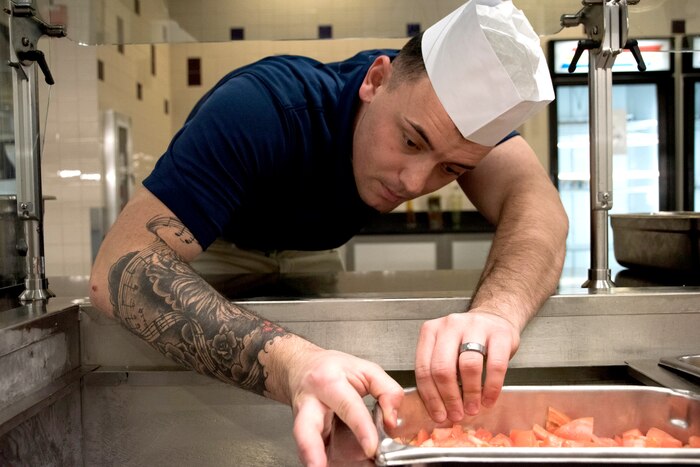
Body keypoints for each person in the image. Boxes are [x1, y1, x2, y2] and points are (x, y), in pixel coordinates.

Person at [89, 1, 568, 465]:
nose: (414, 184)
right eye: (409, 141)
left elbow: (540, 207)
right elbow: (121, 264)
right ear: (376, 81)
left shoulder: (445, 123)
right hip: (218, 250)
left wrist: (498, 314)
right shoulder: (260, 108)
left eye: (449, 168)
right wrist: (294, 365)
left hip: (312, 254)